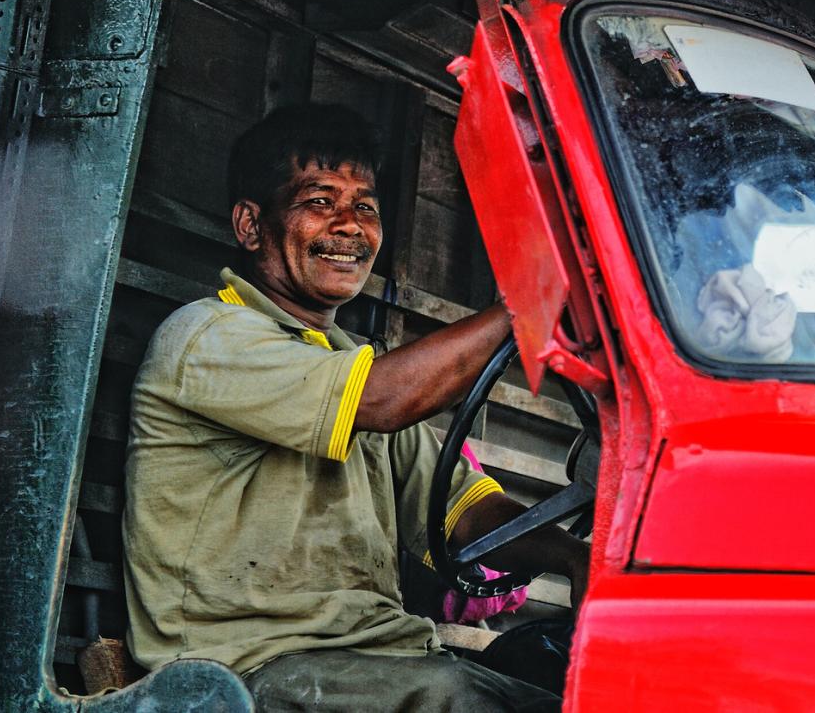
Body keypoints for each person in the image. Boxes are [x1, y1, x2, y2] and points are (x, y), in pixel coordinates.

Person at [122, 103, 586, 711]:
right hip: (247, 668)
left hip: (382, 658)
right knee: (464, 699)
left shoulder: (353, 360)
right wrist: (531, 297)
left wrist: (579, 558)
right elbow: (382, 401)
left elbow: (464, 516)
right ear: (251, 225)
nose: (349, 226)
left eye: (365, 207)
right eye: (319, 202)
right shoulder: (208, 336)